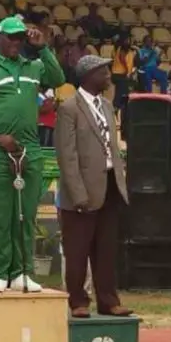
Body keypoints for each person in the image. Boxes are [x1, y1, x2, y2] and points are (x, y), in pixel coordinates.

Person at [0, 15, 65, 292]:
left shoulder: (33, 66)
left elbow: (58, 78)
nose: (16, 42)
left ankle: (23, 271)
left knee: (27, 213)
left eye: (20, 37)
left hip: (30, 148)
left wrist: (42, 47)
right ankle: (0, 271)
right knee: (0, 214)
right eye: (11, 37)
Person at [55, 55, 132, 318]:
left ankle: (108, 301)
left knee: (106, 249)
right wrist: (78, 193)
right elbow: (67, 155)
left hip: (109, 185)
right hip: (82, 190)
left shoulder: (107, 106)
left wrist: (121, 181)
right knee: (78, 250)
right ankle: (78, 301)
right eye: (103, 72)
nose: (109, 76)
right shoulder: (69, 108)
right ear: (88, 76)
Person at [56, 189, 92, 295]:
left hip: (89, 213)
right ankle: (69, 290)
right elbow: (60, 211)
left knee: (86, 252)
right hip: (69, 218)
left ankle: (85, 289)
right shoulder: (63, 193)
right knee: (69, 255)